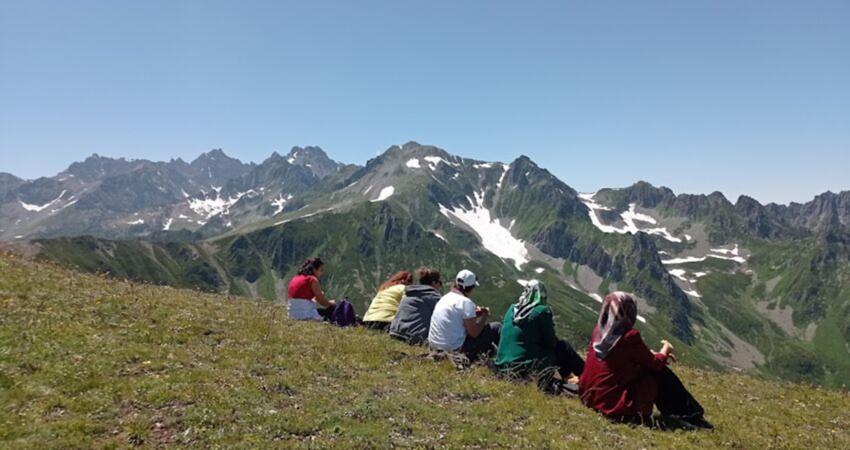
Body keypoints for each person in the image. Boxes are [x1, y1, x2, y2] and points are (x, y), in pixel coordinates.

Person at [579, 292, 711, 429]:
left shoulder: (599, 331)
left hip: (590, 397)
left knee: (650, 368)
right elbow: (655, 364)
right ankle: (690, 416)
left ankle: (685, 414)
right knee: (661, 373)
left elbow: (621, 357)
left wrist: (652, 355)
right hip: (613, 406)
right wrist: (665, 350)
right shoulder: (629, 336)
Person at [494, 280, 584, 390]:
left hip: (501, 368)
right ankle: (586, 376)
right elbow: (551, 342)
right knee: (562, 346)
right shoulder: (542, 311)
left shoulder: (511, 309)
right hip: (523, 369)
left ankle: (569, 377)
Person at [428, 269, 501, 361]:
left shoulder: (445, 298)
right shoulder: (466, 302)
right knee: (496, 327)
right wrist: (484, 316)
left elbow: (457, 316)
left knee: (489, 346)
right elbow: (474, 333)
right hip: (455, 350)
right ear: (471, 287)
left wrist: (475, 313)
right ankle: (505, 361)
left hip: (434, 347)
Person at [389, 268, 443, 344]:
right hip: (413, 337)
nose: (440, 286)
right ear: (434, 283)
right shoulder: (434, 298)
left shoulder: (409, 293)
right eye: (440, 283)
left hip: (395, 333)